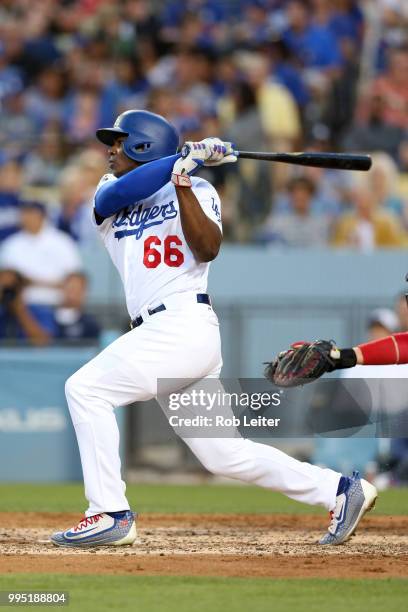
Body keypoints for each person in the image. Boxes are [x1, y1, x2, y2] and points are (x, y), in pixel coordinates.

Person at [51, 109, 377, 549]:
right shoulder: (110, 191)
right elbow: (122, 193)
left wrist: (185, 177)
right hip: (160, 334)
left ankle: (108, 512)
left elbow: (207, 248)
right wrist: (181, 160)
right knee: (225, 454)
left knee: (85, 389)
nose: (110, 150)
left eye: (119, 141)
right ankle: (339, 491)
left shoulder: (199, 187)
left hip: (183, 325)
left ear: (143, 145)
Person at [0, 201, 82, 335]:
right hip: (18, 307)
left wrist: (29, 281)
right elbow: (8, 281)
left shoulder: (62, 242)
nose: (27, 217)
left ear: (42, 216)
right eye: (24, 213)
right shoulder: (11, 244)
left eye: (31, 213)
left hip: (55, 307)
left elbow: (74, 280)